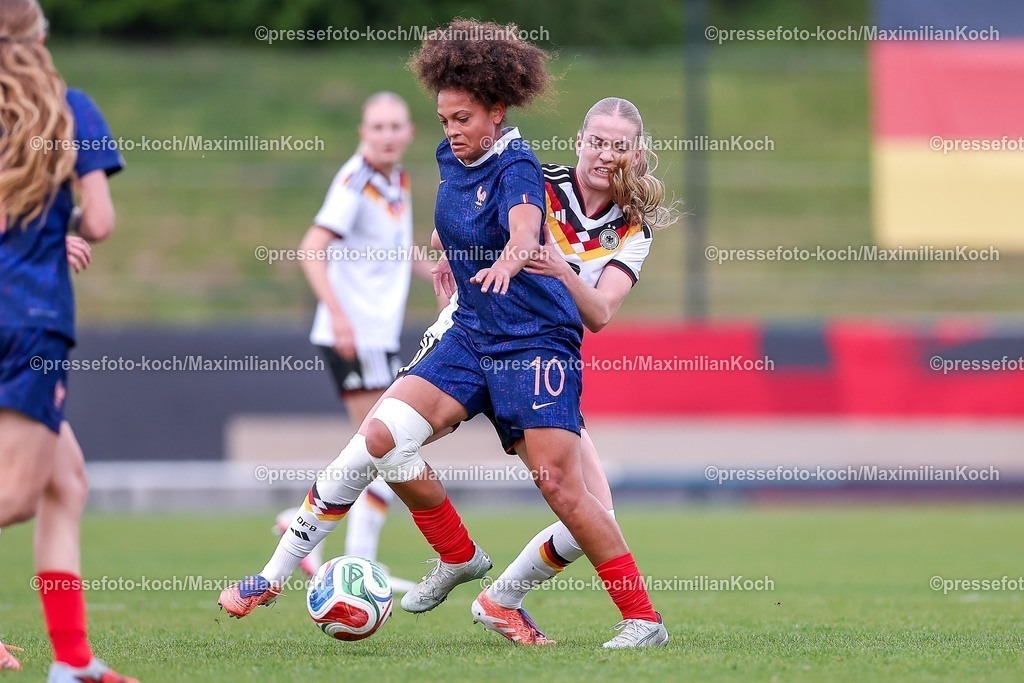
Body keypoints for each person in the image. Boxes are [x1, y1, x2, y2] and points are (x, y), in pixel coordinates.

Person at [220, 19, 667, 649]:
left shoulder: (621, 222)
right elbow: (478, 213)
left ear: (634, 154)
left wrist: (526, 257)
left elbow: (585, 297)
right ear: (581, 141)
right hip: (471, 330)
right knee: (377, 436)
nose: (603, 154)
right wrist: (449, 257)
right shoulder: (530, 172)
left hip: (538, 347)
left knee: (571, 496)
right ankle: (294, 574)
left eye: (617, 146)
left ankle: (617, 615)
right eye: (595, 140)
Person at [0, 1, 135, 680]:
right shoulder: (69, 107)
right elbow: (102, 221)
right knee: (18, 496)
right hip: (30, 322)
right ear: (39, 36)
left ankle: (74, 662)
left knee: (65, 483)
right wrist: (62, 225)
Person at [268, 92, 428, 592]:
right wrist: (338, 317)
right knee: (383, 448)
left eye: (394, 126)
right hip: (355, 335)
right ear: (363, 132)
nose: (385, 135)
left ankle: (325, 548)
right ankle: (356, 566)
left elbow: (397, 250)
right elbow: (311, 248)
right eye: (376, 126)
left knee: (380, 448)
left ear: (409, 133)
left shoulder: (396, 180)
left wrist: (438, 271)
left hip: (378, 336)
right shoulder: (355, 180)